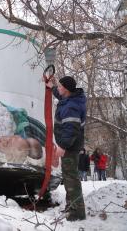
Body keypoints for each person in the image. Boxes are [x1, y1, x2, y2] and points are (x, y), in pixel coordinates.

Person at [45, 75, 86, 221]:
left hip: (70, 146)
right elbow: (59, 93)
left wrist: (63, 146)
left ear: (67, 90)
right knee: (69, 177)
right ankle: (71, 207)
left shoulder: (71, 106)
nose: (59, 88)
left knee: (71, 178)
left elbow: (71, 129)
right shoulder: (69, 98)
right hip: (71, 145)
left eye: (61, 86)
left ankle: (77, 212)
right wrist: (51, 87)